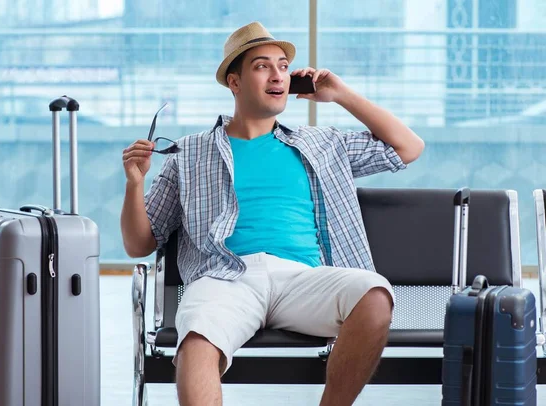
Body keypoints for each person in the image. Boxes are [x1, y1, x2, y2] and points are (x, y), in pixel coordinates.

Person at [121, 21, 424, 406]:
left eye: (283, 66)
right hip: (224, 278)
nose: (278, 74)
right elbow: (138, 244)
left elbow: (408, 147)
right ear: (234, 82)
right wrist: (134, 184)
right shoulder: (189, 152)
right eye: (263, 66)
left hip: (302, 279)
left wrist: (341, 94)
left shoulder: (320, 143)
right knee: (196, 343)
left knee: (375, 294)